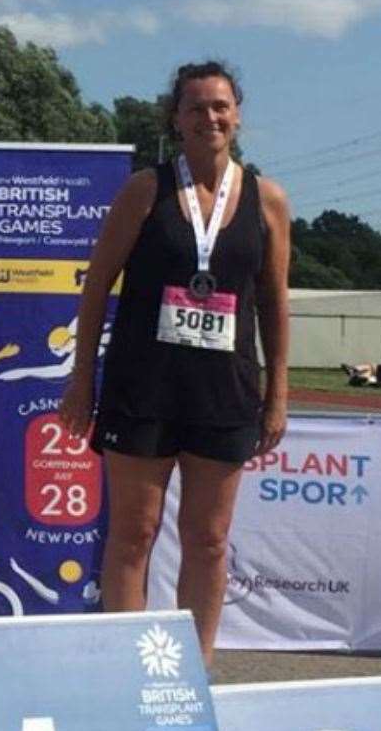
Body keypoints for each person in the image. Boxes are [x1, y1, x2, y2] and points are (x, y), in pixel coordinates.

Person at [59, 61, 290, 665]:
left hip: (225, 392)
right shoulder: (146, 189)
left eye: (220, 106)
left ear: (237, 116)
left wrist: (279, 392)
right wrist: (82, 381)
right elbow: (95, 291)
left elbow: (273, 304)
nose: (209, 118)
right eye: (195, 107)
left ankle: (196, 670)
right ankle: (129, 669)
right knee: (134, 535)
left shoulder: (268, 200)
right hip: (143, 388)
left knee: (208, 541)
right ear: (176, 119)